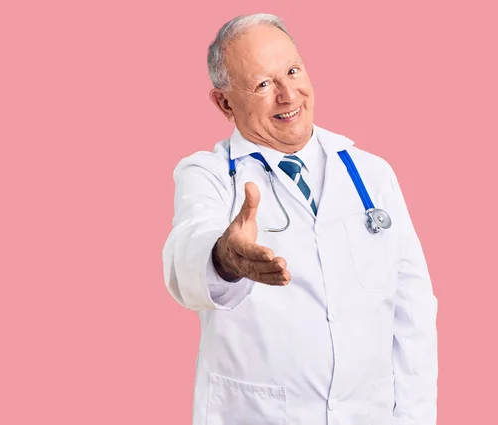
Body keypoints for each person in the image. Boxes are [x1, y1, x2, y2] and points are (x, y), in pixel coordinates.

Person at [162, 13, 438, 425]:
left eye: (293, 71)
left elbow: (412, 312)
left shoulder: (371, 174)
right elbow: (188, 251)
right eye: (263, 84)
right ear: (224, 102)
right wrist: (224, 258)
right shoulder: (210, 175)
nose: (288, 95)